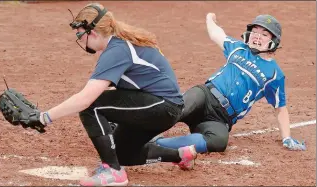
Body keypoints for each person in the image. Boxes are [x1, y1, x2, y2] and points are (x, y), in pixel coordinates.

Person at [37, 3, 197, 186]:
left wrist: (44, 117)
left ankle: (113, 172)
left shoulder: (117, 50)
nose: (80, 40)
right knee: (121, 154)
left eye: (81, 35)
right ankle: (181, 155)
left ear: (93, 33)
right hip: (161, 105)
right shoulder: (119, 44)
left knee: (92, 106)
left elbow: (86, 99)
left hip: (163, 106)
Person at [155, 13, 307, 154]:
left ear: (273, 41)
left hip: (221, 118)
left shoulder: (274, 74)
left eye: (264, 34)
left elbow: (280, 108)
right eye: (255, 32)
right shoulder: (238, 48)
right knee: (178, 109)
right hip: (205, 95)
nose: (257, 36)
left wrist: (286, 138)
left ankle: (160, 144)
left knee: (218, 142)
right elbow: (216, 34)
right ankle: (141, 133)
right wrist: (210, 19)